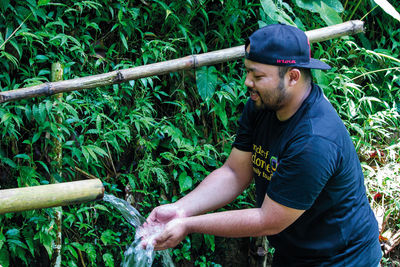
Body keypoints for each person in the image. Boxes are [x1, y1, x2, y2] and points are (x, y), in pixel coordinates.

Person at [142, 24, 382, 266]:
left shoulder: (314, 140)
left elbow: (268, 219)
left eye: (257, 76)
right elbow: (235, 172)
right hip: (295, 250)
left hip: (343, 257)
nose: (247, 82)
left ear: (292, 77)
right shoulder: (263, 105)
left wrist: (189, 225)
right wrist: (180, 210)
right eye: (247, 72)